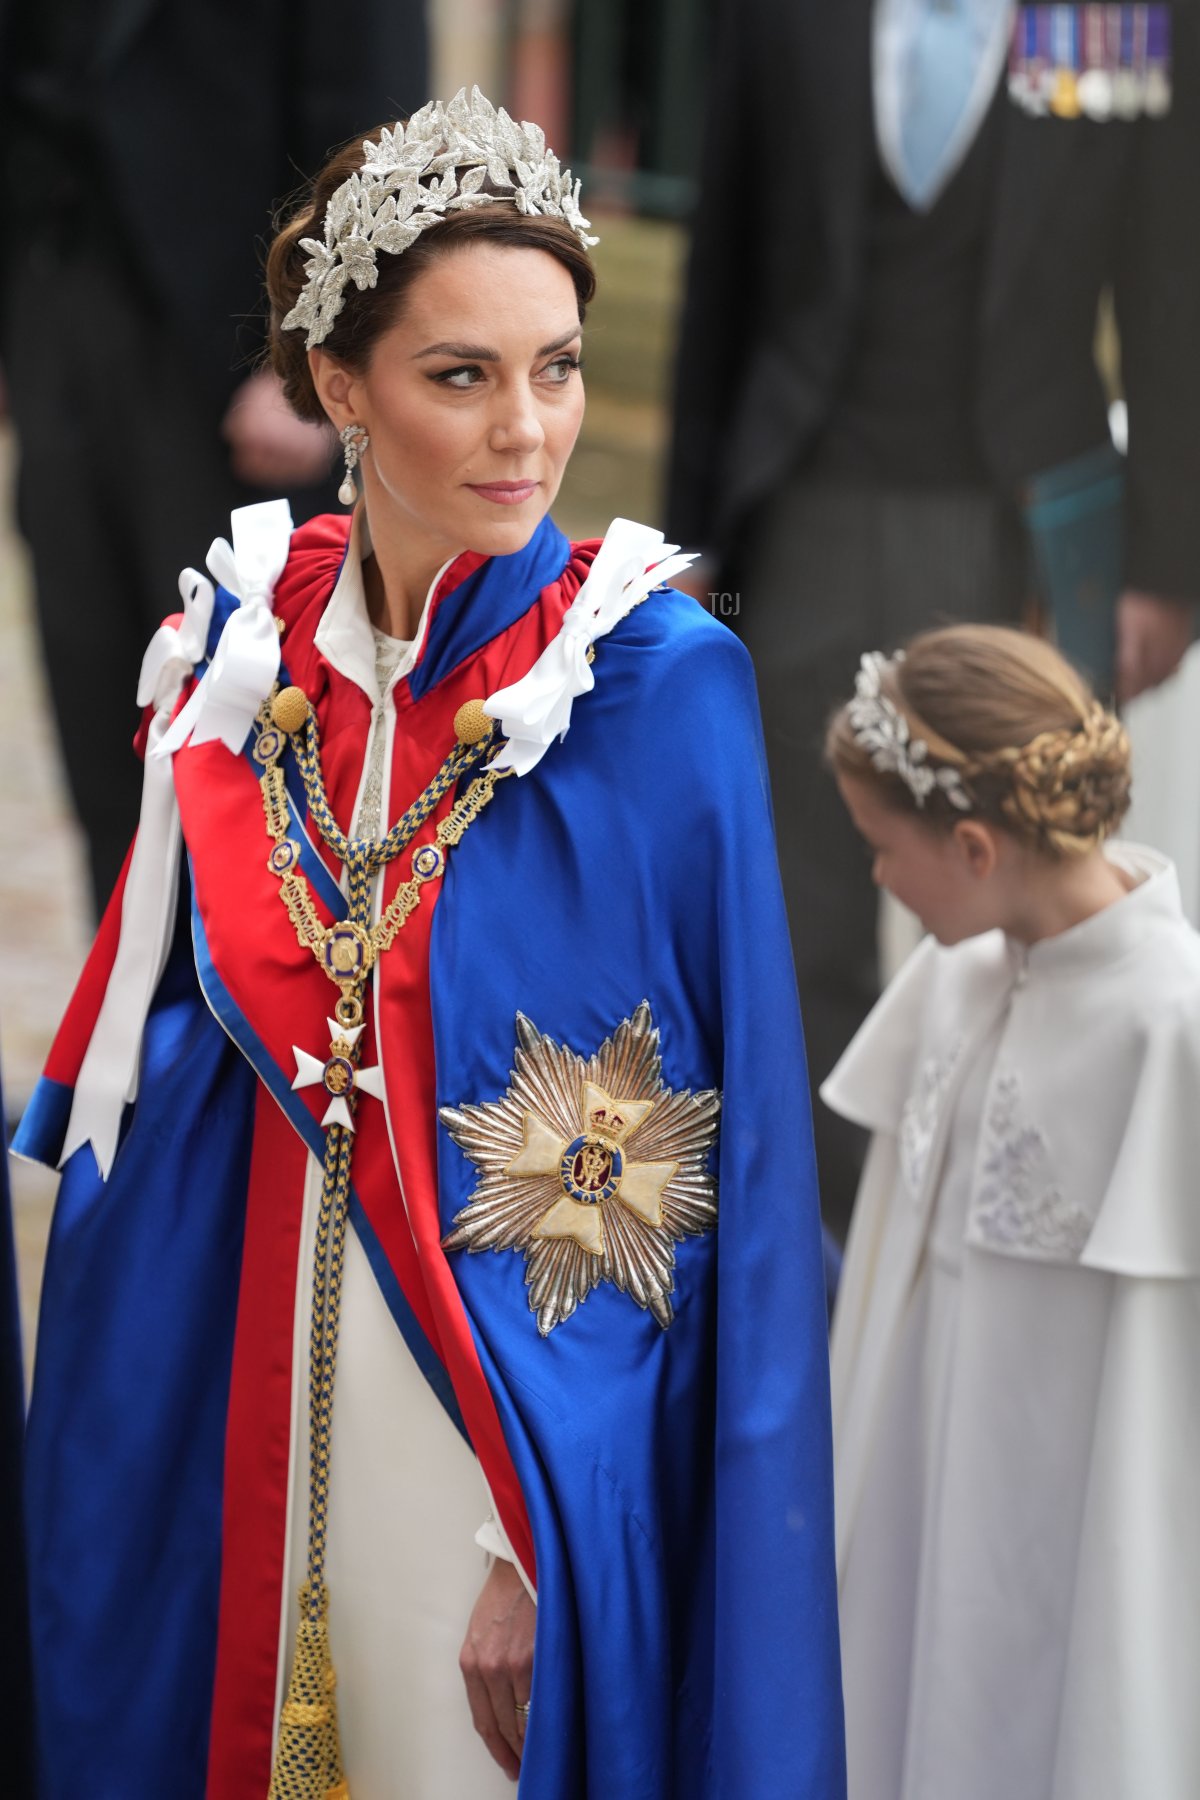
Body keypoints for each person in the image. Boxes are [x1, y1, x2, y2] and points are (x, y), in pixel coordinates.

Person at [15, 90, 845, 1800]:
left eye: (555, 367)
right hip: (253, 1384)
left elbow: (700, 1174)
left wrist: (531, 1535)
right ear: (339, 387)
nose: (526, 429)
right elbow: (139, 1079)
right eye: (459, 374)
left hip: (492, 1446)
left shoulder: (654, 686)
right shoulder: (245, 663)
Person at [666, 0, 1200, 1238]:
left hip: (1022, 537)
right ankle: (835, 1256)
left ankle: (1014, 1238)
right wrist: (694, 548)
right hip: (795, 517)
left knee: (1027, 905)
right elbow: (726, 257)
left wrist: (1168, 568)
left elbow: (1175, 282)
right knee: (798, 917)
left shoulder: (1127, 18)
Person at [823, 624, 1200, 1799]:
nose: (878, 876)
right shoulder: (954, 972)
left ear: (976, 846)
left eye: (886, 848)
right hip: (916, 1497)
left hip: (1072, 1520)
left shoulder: (1171, 1029)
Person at [0, 0, 430, 919]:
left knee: (246, 744)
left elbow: (371, 121)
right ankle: (126, 1034)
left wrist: (318, 354)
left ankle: (257, 1043)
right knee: (104, 706)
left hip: (236, 343)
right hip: (54, 296)